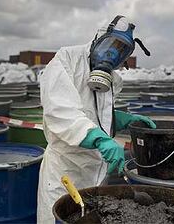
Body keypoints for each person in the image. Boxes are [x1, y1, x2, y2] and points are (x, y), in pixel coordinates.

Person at [37, 15, 156, 223]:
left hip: (95, 171)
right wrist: (100, 139)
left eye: (122, 50)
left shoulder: (112, 80)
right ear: (99, 38)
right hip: (65, 170)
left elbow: (94, 114)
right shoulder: (66, 60)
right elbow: (60, 112)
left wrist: (122, 119)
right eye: (112, 45)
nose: (113, 54)